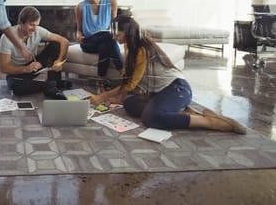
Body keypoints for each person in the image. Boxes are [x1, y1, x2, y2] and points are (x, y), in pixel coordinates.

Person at [89, 15, 246, 134]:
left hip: (177, 89)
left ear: (127, 31)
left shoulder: (141, 49)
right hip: (159, 92)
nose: (115, 36)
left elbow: (129, 84)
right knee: (130, 104)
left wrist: (103, 97)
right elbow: (130, 81)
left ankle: (210, 122)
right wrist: (116, 95)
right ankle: (180, 111)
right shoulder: (130, 46)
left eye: (118, 33)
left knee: (151, 118)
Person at [0, 6, 71, 98]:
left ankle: (55, 81)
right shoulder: (6, 38)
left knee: (56, 44)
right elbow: (3, 68)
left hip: (35, 65)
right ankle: (49, 86)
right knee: (16, 87)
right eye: (32, 25)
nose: (34, 28)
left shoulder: (38, 30)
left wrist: (59, 61)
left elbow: (64, 41)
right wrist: (26, 69)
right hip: (17, 72)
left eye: (37, 25)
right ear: (20, 23)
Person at [75, 0, 122, 90]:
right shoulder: (80, 7)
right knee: (107, 36)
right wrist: (78, 35)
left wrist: (115, 34)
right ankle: (122, 71)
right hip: (88, 42)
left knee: (104, 46)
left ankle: (100, 81)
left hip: (105, 40)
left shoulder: (111, 2)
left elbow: (113, 25)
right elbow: (79, 30)